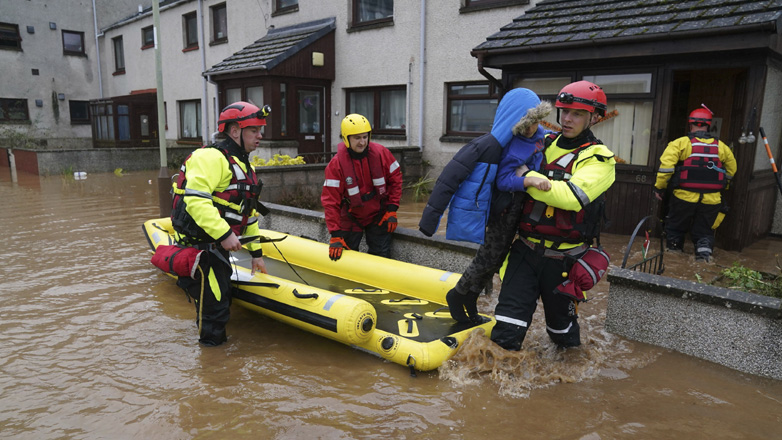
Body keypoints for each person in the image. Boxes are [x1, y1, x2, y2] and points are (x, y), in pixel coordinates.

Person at [490, 80, 616, 351]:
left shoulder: (600, 159)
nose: (567, 119)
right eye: (564, 111)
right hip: (523, 253)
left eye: (577, 114)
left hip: (566, 262)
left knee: (565, 341)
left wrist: (526, 176)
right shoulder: (541, 142)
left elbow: (570, 198)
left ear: (594, 117)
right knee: (504, 338)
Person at [418, 87, 553, 323]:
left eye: (536, 121)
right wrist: (431, 219)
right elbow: (454, 176)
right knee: (487, 258)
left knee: (497, 260)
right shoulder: (496, 145)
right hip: (500, 212)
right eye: (527, 122)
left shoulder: (539, 137)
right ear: (516, 121)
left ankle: (470, 297)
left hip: (518, 212)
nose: (532, 128)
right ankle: (458, 294)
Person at [170, 101, 270, 346]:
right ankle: (214, 368)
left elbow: (247, 213)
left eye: (260, 130)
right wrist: (225, 234)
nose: (260, 136)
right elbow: (196, 202)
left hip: (217, 248)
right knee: (215, 310)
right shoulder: (211, 158)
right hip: (201, 251)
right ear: (235, 131)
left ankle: (215, 359)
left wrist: (256, 253)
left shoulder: (244, 165)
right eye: (254, 130)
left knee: (219, 303)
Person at [654, 105, 737, 262]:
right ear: (708, 125)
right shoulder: (722, 147)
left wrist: (660, 188)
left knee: (675, 229)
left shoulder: (679, 143)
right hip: (712, 200)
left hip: (683, 197)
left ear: (690, 124)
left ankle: (674, 256)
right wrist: (721, 187)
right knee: (704, 232)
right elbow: (731, 171)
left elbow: (665, 170)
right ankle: (704, 260)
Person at [321, 114, 403, 260]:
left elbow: (396, 179)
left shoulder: (381, 153)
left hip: (378, 213)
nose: (362, 142)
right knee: (347, 260)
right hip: (350, 216)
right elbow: (330, 201)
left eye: (365, 137)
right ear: (346, 139)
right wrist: (335, 235)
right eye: (357, 138)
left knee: (382, 256)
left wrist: (392, 209)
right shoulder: (336, 165)